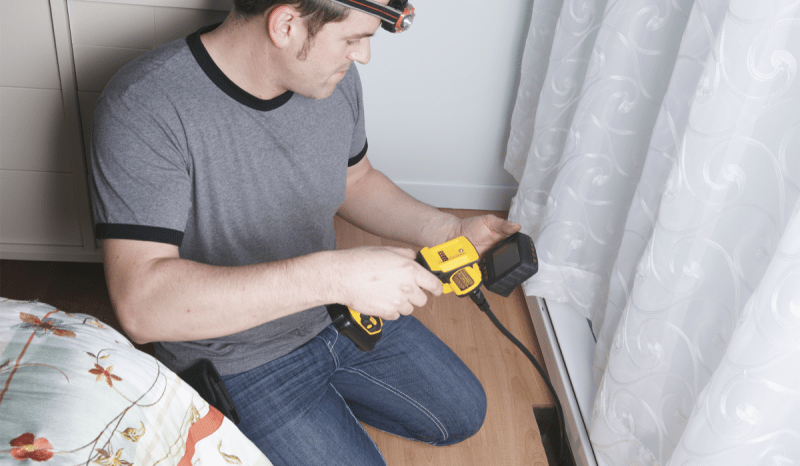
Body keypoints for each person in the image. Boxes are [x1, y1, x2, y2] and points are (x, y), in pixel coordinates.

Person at [90, 0, 521, 464]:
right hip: (237, 355)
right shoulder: (146, 104)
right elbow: (142, 306)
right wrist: (333, 277)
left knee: (461, 413)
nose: (363, 56)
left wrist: (449, 228)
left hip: (333, 312)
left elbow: (355, 180)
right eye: (354, 39)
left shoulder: (330, 79)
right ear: (286, 24)